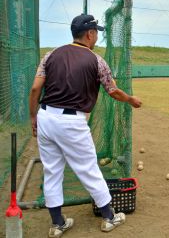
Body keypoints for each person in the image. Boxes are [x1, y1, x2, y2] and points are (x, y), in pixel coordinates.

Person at [29, 14, 142, 237]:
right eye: (96, 32)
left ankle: (57, 223)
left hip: (45, 117)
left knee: (52, 171)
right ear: (89, 34)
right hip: (71, 122)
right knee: (89, 169)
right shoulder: (96, 60)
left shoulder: (51, 54)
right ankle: (109, 217)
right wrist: (130, 99)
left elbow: (35, 89)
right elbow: (113, 90)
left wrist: (33, 118)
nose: (97, 36)